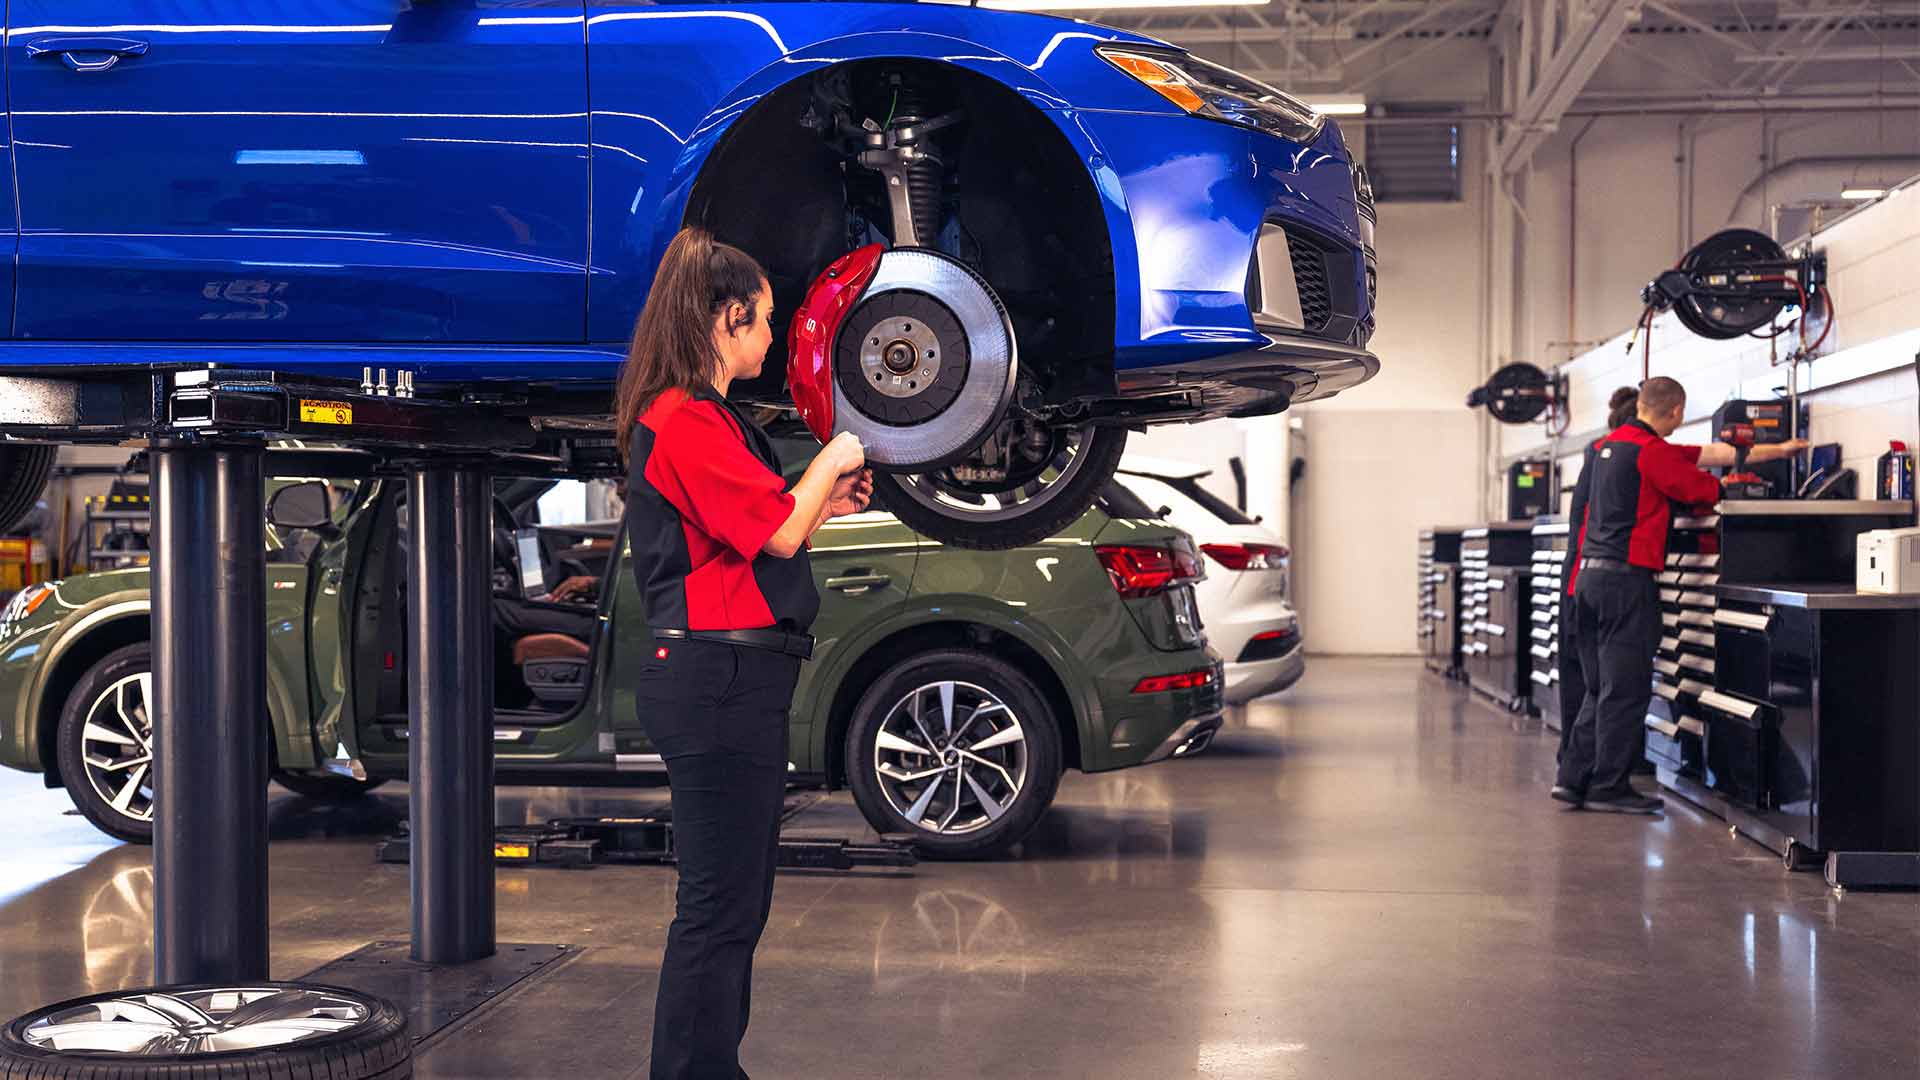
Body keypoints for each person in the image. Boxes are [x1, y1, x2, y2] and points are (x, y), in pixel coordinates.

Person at [616, 226, 871, 1079]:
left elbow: (759, 536)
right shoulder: (683, 419)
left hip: (737, 677)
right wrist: (833, 454)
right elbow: (775, 531)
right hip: (715, 681)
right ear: (727, 319)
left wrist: (823, 500)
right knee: (717, 909)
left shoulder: (709, 421)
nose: (772, 337)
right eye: (764, 322)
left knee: (736, 907)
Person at [1552, 377, 1805, 813]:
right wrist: (1732, 486)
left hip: (1589, 582)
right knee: (1626, 688)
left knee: (1599, 688)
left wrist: (1779, 452)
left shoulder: (1611, 446)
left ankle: (1573, 778)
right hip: (1626, 584)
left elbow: (1710, 456)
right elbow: (1703, 489)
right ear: (1675, 411)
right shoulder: (1652, 453)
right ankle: (1609, 786)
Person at [1554, 387, 1642, 765]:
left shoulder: (1599, 451)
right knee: (1597, 682)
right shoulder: (1621, 453)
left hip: (1579, 577)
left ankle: (1576, 763)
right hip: (1594, 579)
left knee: (1585, 677)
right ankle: (1589, 765)